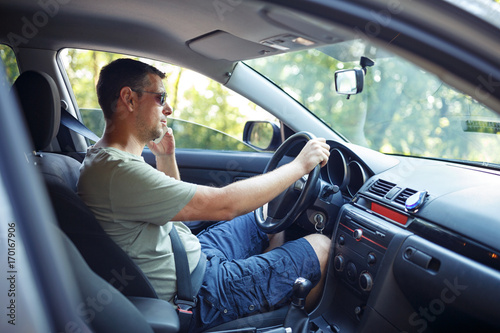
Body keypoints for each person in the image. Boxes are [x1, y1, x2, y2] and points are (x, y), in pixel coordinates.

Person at [77, 58, 331, 332]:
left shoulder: (105, 159)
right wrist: (299, 165)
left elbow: (175, 217)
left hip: (194, 258)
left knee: (264, 215)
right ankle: (267, 311)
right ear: (129, 98)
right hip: (199, 294)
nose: (168, 108)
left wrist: (166, 157)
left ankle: (262, 295)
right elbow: (224, 206)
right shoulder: (117, 172)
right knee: (322, 247)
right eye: (160, 97)